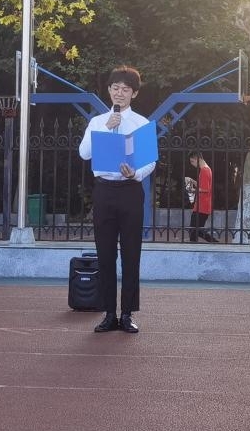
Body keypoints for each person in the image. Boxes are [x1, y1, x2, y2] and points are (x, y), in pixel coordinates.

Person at [78, 66, 155, 334]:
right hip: (104, 191)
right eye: (115, 88)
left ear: (134, 93)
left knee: (131, 254)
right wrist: (107, 127)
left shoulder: (142, 124)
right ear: (109, 90)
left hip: (130, 190)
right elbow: (84, 153)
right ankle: (109, 313)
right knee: (105, 253)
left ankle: (127, 314)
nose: (119, 93)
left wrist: (136, 173)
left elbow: (150, 161)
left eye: (125, 89)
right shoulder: (97, 122)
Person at [187, 152, 217, 242]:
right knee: (197, 231)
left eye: (192, 161)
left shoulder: (204, 170)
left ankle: (215, 243)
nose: (192, 164)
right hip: (203, 206)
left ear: (197, 159)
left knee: (193, 230)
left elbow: (205, 189)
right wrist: (193, 181)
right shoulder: (207, 169)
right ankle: (215, 243)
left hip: (202, 206)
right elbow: (203, 186)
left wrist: (192, 190)